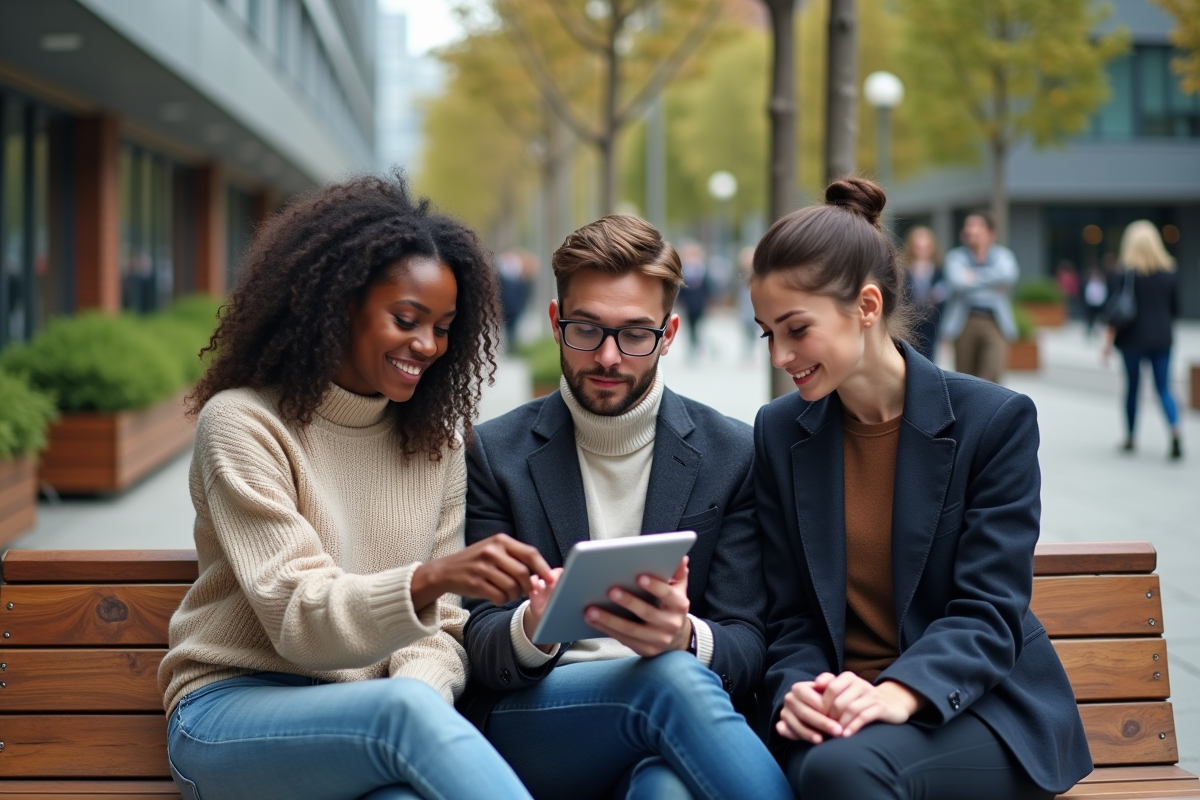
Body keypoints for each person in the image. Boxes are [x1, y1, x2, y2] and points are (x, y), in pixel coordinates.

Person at [158, 174, 554, 800]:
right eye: (407, 318)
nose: (427, 345)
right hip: (226, 717)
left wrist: (415, 701)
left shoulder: (437, 444)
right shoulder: (244, 423)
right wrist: (431, 578)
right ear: (339, 302)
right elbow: (299, 618)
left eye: (445, 326)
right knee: (401, 721)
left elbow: (442, 633)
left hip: (369, 722)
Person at [749, 178, 1092, 800]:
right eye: (766, 332)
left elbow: (988, 612)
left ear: (867, 307)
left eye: (796, 329)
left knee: (836, 772)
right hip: (841, 710)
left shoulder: (993, 422)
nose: (779, 355)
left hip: (972, 705)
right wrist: (796, 688)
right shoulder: (779, 432)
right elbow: (790, 612)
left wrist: (896, 692)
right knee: (810, 766)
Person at [460, 215, 791, 800]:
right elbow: (477, 638)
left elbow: (748, 638)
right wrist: (530, 629)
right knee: (667, 684)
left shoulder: (732, 454)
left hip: (677, 716)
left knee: (663, 789)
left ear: (668, 335)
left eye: (636, 334)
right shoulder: (495, 454)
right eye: (587, 329)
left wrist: (686, 637)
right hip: (537, 721)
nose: (609, 357)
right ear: (556, 323)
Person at [1103, 220, 1183, 460]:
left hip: (1131, 339)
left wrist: (1106, 344)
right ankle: (1175, 431)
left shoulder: (1122, 274)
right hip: (1162, 338)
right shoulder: (1170, 273)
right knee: (1163, 388)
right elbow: (1175, 309)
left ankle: (1130, 437)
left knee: (1132, 388)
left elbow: (1114, 312)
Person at [939, 211, 1019, 384]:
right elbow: (957, 282)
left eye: (976, 226)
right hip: (964, 321)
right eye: (968, 226)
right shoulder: (956, 256)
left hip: (995, 321)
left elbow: (1009, 275)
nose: (970, 230)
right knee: (965, 379)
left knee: (994, 376)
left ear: (991, 233)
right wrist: (993, 283)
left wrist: (973, 277)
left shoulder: (1003, 256)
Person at [901, 226, 945, 361]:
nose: (921, 249)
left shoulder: (939, 269)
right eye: (918, 246)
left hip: (932, 322)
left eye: (925, 246)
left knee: (930, 357)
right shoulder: (904, 270)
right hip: (911, 321)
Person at [677, 242, 712, 360]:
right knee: (690, 327)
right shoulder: (683, 270)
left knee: (698, 327)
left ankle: (698, 345)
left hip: (700, 304)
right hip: (688, 305)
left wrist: (709, 300)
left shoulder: (702, 269)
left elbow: (708, 287)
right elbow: (680, 288)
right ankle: (692, 347)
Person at [1082, 267, 1108, 337]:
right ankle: (1089, 332)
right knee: (1090, 320)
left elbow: (1103, 294)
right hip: (1091, 305)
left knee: (1099, 321)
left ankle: (1096, 333)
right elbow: (1087, 295)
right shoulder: (1090, 284)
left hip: (1099, 305)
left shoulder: (1102, 285)